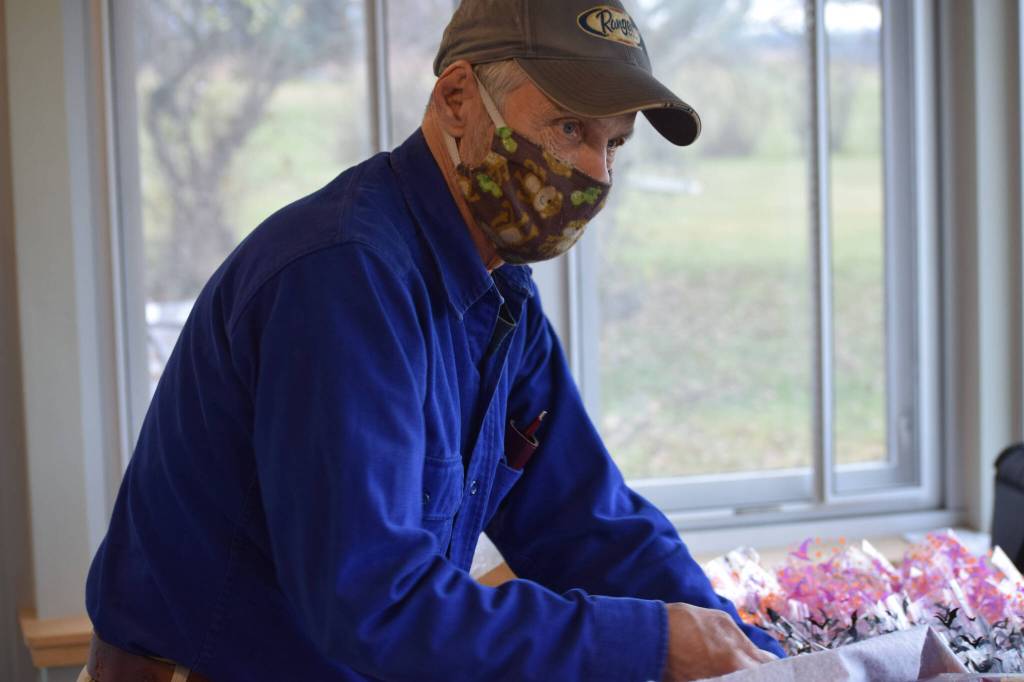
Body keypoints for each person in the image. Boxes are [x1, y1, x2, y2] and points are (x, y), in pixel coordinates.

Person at [82, 1, 785, 680]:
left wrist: (750, 656)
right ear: (457, 98)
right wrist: (650, 644)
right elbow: (372, 600)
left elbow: (588, 525)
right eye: (571, 128)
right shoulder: (343, 278)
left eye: (614, 144)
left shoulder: (502, 297)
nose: (596, 173)